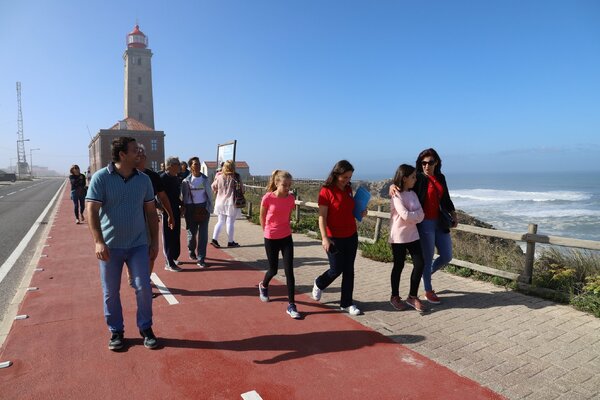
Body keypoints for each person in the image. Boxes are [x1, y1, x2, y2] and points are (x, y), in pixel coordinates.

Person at [85, 136, 159, 351]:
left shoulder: (144, 180)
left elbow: (151, 213)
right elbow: (91, 211)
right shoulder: (101, 178)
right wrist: (98, 241)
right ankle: (116, 331)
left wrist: (155, 242)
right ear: (122, 154)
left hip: (138, 245)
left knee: (143, 287)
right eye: (135, 150)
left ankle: (146, 328)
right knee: (110, 291)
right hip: (110, 246)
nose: (140, 153)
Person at [390, 148, 457, 304]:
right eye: (423, 163)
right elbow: (403, 184)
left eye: (430, 162)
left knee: (447, 256)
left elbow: (446, 198)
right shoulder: (418, 178)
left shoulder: (440, 177)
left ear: (436, 162)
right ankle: (428, 290)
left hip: (440, 222)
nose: (426, 166)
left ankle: (424, 274)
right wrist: (391, 186)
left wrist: (453, 214)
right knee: (427, 258)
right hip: (424, 223)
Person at [311, 160, 366, 316]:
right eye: (345, 177)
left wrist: (361, 212)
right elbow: (322, 217)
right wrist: (324, 238)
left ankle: (346, 303)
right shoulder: (326, 191)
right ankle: (319, 283)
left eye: (350, 177)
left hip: (351, 235)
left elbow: (350, 209)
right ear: (336, 174)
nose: (347, 180)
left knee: (349, 270)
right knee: (336, 269)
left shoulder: (348, 189)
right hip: (333, 237)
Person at [258, 170, 300, 319]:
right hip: (271, 238)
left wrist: (286, 227)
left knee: (289, 271)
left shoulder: (291, 198)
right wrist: (266, 231)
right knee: (273, 270)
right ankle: (264, 285)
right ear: (276, 183)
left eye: (289, 185)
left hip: (286, 237)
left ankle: (291, 305)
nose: (287, 188)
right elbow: (262, 216)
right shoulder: (268, 198)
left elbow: (287, 215)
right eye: (284, 185)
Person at [388, 164, 427, 312]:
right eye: (413, 177)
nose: (415, 179)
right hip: (398, 236)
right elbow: (404, 215)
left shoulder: (413, 194)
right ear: (404, 178)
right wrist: (415, 215)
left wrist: (414, 216)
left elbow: (422, 214)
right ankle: (394, 296)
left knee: (420, 264)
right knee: (398, 266)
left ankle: (412, 296)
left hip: (413, 235)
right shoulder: (396, 194)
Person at [135, 145, 175, 276]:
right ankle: (134, 278)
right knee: (132, 254)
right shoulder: (127, 175)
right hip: (132, 219)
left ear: (145, 157)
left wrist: (170, 214)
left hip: (149, 218)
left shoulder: (152, 176)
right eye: (135, 153)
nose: (138, 156)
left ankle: (146, 279)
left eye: (140, 154)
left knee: (151, 253)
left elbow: (162, 196)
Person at [182, 156, 214, 268]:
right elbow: (183, 197)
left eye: (199, 164)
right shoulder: (186, 181)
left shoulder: (205, 179)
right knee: (192, 234)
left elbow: (209, 194)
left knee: (203, 235)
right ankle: (191, 250)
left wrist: (210, 207)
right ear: (190, 166)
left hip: (203, 208)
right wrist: (183, 209)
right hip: (191, 208)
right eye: (195, 164)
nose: (198, 166)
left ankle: (201, 258)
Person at [211, 159, 243, 248]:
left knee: (220, 221)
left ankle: (214, 239)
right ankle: (230, 241)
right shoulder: (236, 177)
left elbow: (213, 187)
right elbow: (242, 189)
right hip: (231, 202)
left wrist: (218, 190)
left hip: (220, 202)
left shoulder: (219, 176)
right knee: (230, 222)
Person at [160, 156, 184, 271]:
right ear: (170, 166)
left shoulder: (176, 178)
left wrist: (182, 204)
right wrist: (164, 211)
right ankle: (168, 262)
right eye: (177, 164)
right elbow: (160, 197)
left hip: (175, 210)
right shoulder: (162, 178)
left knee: (175, 234)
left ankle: (173, 258)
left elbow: (175, 196)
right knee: (168, 235)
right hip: (167, 211)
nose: (180, 166)